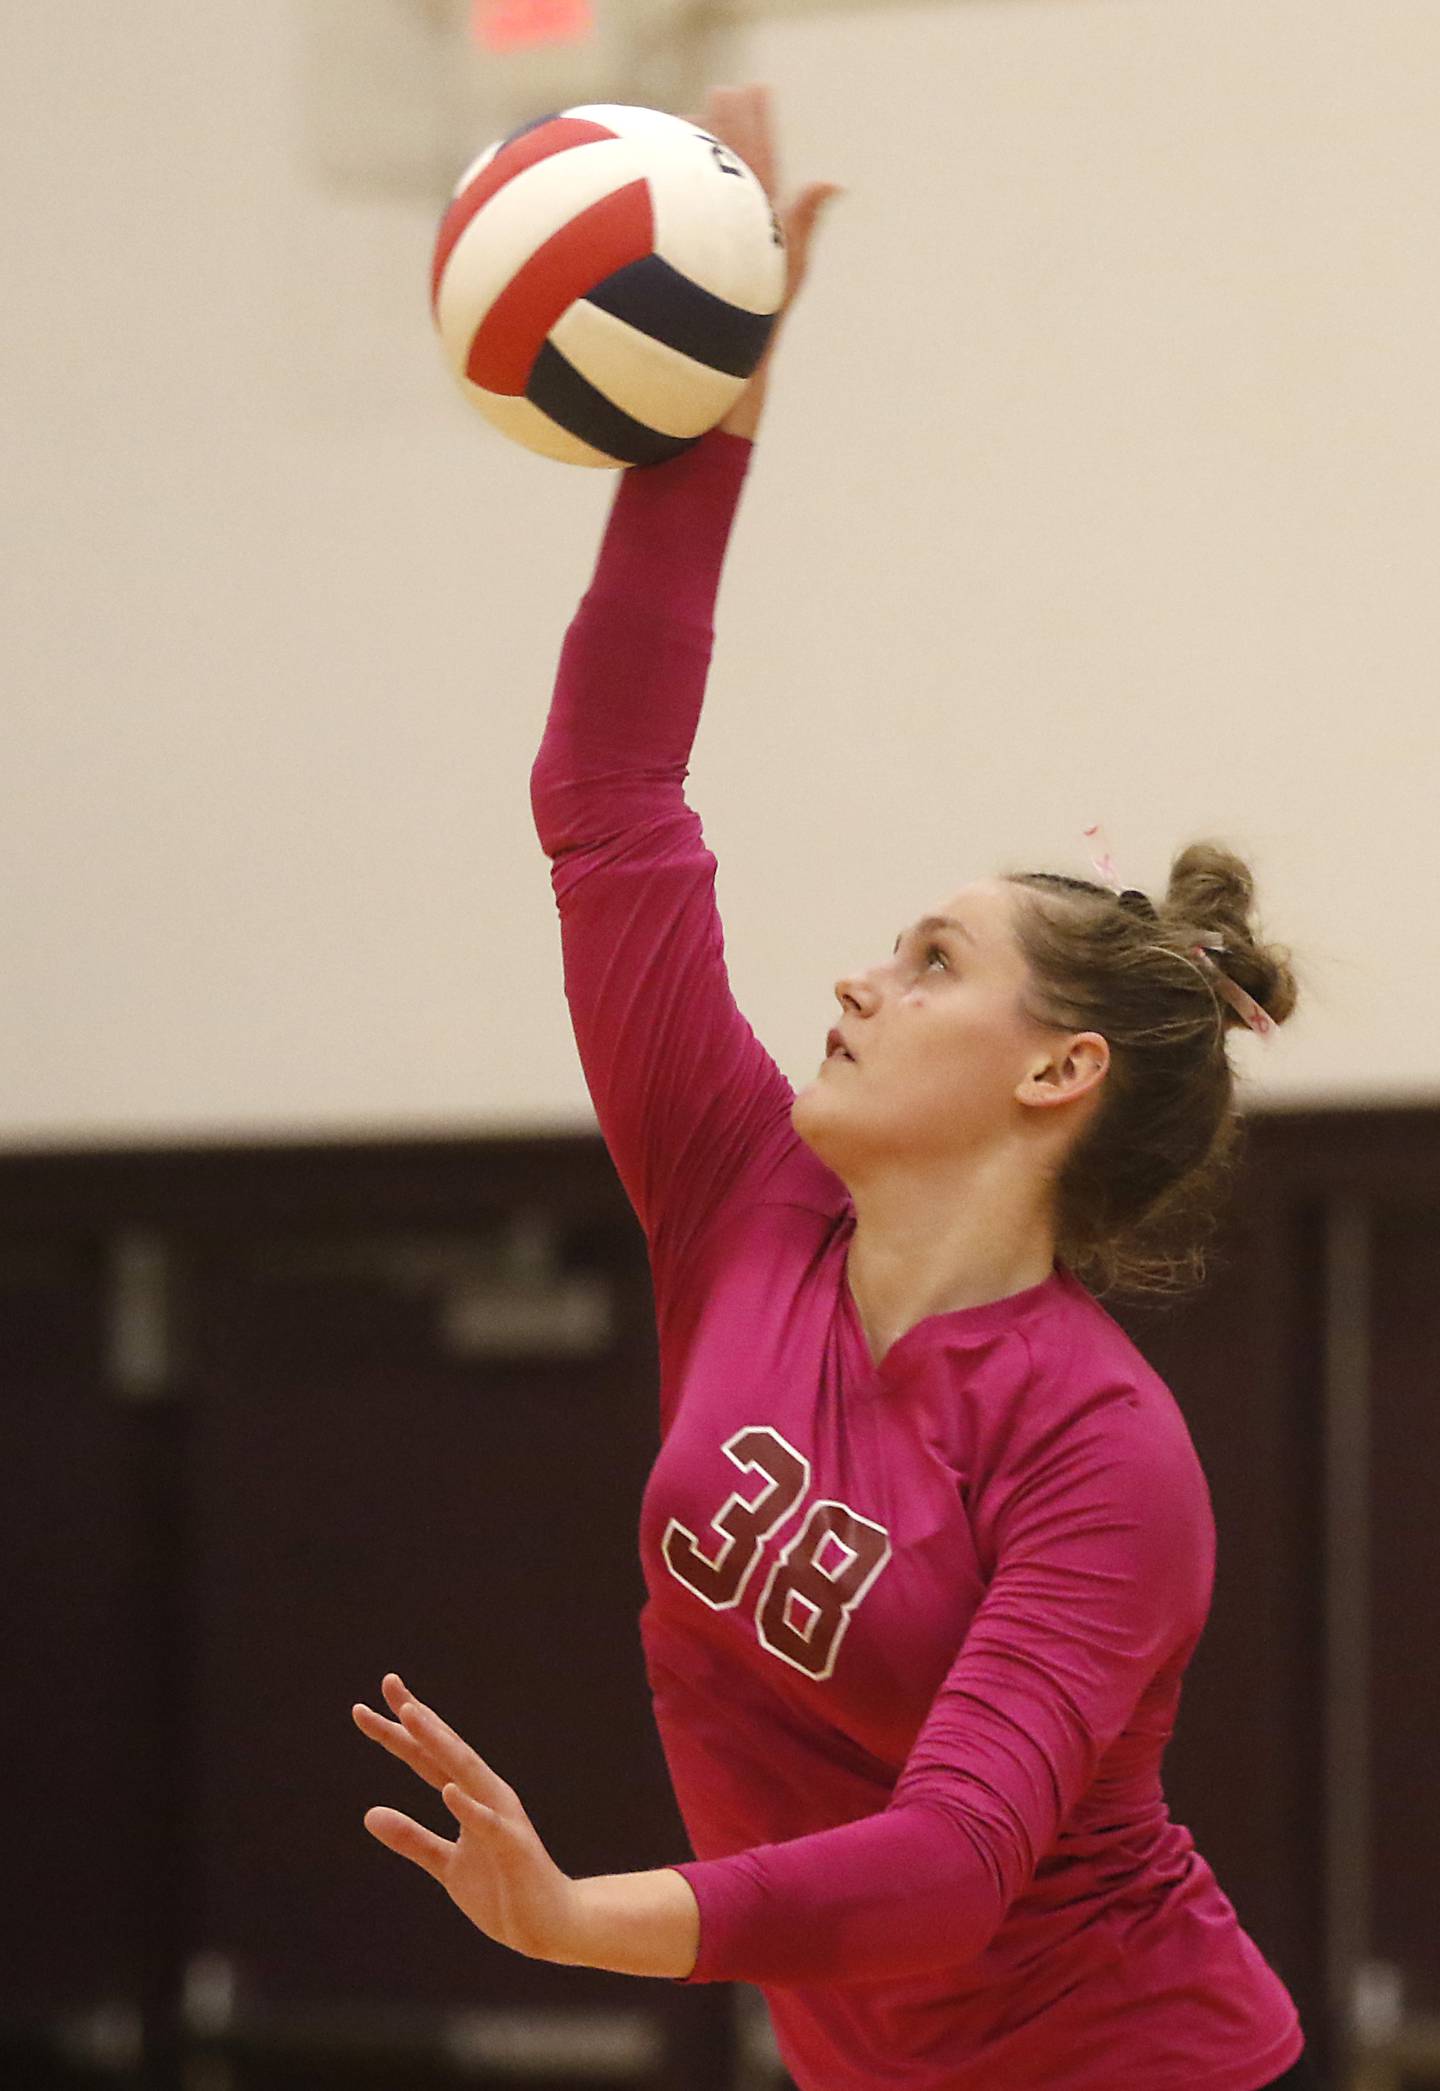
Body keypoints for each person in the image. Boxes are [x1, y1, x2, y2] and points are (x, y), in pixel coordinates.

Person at [354, 83, 1322, 2091]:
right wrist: (714, 418)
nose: (860, 977)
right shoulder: (741, 1194)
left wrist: (575, 1916)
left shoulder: (1103, 1453)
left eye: (932, 957)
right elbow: (607, 797)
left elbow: (953, 1865)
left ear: (1057, 1067)